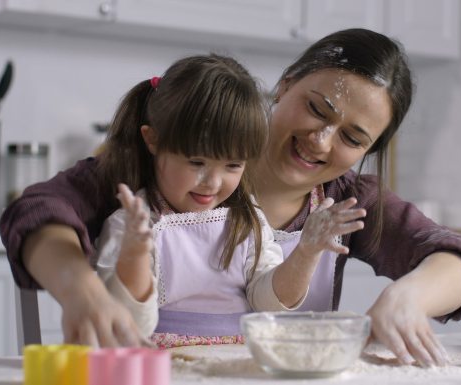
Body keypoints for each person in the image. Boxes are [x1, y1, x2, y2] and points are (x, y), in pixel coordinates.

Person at [0, 29, 461, 367]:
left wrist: (410, 297)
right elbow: (41, 212)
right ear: (285, 84)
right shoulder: (150, 173)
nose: (321, 140)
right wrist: (81, 290)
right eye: (317, 109)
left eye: (352, 138)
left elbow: (454, 259)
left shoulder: (347, 200)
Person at [90, 54, 366, 347]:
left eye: (233, 165)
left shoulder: (247, 219)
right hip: (164, 367)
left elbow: (268, 305)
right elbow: (129, 324)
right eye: (196, 162)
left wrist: (306, 253)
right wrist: (133, 258)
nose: (213, 182)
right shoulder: (133, 225)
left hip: (237, 365)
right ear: (153, 140)